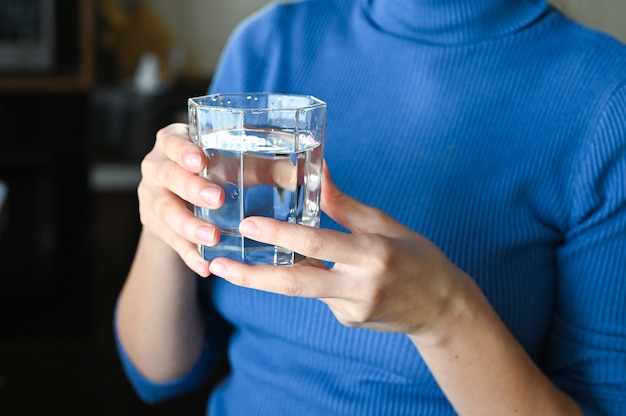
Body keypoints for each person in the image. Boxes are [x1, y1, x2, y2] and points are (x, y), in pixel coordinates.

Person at [114, 0, 626, 414]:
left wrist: (444, 315)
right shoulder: (270, 42)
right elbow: (157, 375)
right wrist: (167, 218)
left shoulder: (607, 98)